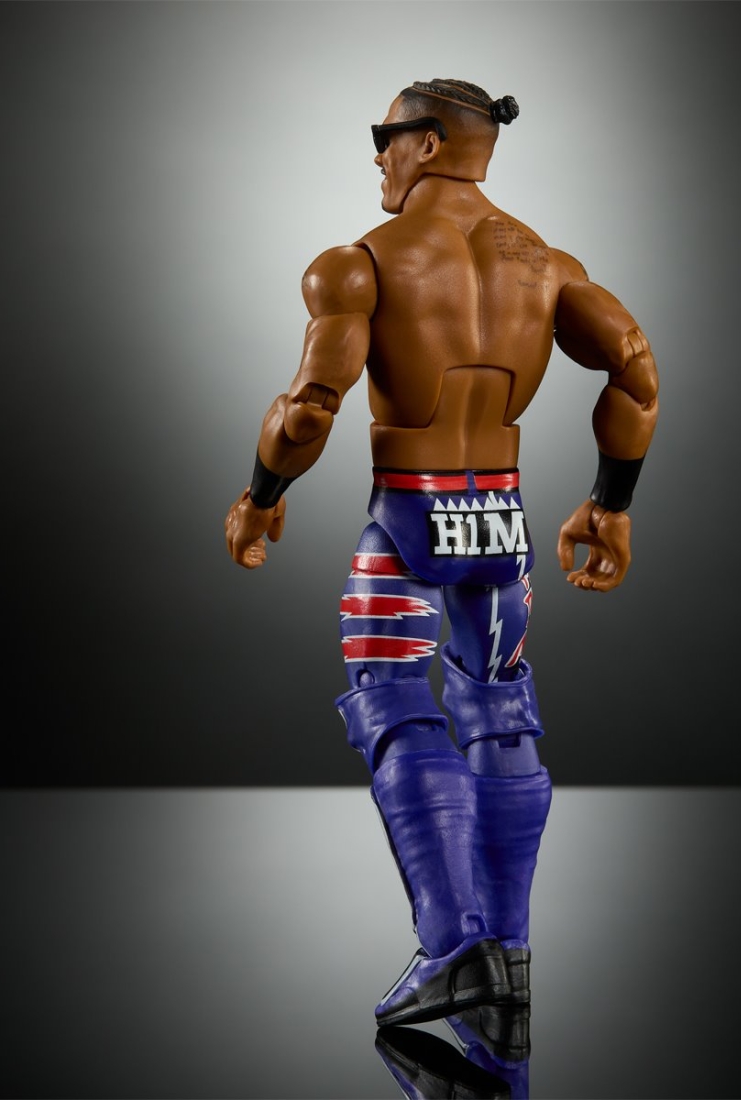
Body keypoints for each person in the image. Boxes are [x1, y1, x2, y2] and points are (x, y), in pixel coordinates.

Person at [224, 78, 659, 1027]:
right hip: (500, 520)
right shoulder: (549, 265)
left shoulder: (359, 265)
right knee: (502, 713)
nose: (377, 156)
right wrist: (610, 506)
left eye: (384, 137)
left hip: (409, 517)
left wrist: (260, 497)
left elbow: (310, 409)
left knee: (390, 701)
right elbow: (636, 370)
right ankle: (509, 957)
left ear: (425, 143)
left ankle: (454, 947)